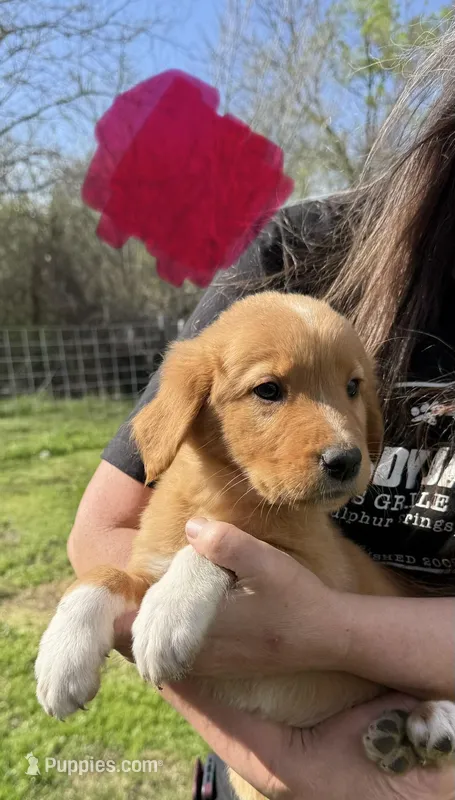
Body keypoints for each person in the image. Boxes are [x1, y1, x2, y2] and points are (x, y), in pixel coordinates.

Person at [67, 26, 455, 800]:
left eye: (352, 393)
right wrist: (287, 760)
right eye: (272, 392)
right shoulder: (302, 256)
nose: (344, 438)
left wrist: (330, 633)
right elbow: (107, 534)